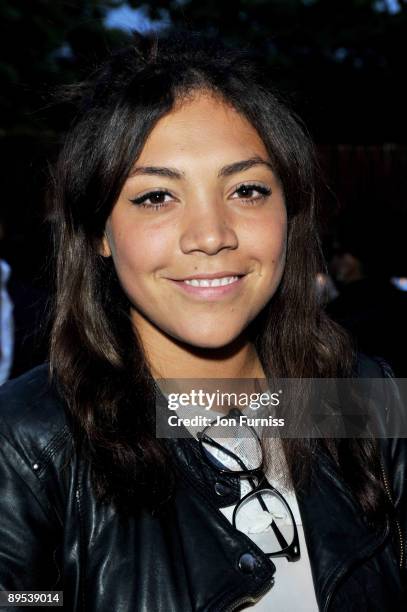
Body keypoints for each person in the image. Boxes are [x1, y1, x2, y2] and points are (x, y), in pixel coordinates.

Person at [0, 31, 405, 612]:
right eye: (156, 197)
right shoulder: (27, 443)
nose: (212, 235)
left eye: (246, 189)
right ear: (98, 233)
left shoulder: (365, 402)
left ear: (289, 214)